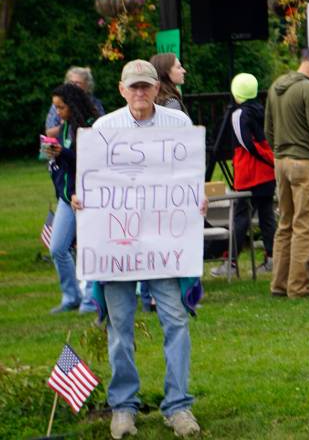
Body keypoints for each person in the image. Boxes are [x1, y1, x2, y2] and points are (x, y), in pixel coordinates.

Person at [73, 59, 203, 440]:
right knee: (119, 328)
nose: (141, 93)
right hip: (117, 248)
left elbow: (190, 179)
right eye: (134, 87)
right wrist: (83, 199)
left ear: (156, 88)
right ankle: (123, 407)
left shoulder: (178, 125)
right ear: (121, 89)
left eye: (146, 86)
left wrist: (195, 201)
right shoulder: (104, 128)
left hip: (165, 245)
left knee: (176, 321)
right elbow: (91, 180)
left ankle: (178, 405)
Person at [265, 42, 309, 298]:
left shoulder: (276, 86)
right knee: (306, 225)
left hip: (280, 161)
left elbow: (268, 130)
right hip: (305, 162)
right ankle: (299, 286)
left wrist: (280, 150)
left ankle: (279, 284)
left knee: (285, 224)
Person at [210, 72, 276, 277]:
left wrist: (260, 156)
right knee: (267, 216)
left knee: (240, 218)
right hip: (266, 173)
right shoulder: (260, 109)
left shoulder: (238, 114)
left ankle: (230, 263)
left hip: (249, 173)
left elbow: (246, 142)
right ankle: (272, 258)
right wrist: (268, 159)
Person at [46, 82, 99, 313]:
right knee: (57, 248)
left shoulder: (90, 127)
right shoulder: (65, 128)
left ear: (73, 105)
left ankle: (91, 300)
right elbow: (68, 163)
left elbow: (89, 161)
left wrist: (62, 153)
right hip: (68, 197)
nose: (58, 113)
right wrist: (55, 155)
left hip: (90, 197)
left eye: (61, 107)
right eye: (55, 108)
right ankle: (71, 296)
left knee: (90, 249)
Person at [45, 66, 104, 136]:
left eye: (77, 83)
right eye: (71, 82)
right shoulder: (60, 102)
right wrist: (68, 125)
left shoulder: (94, 104)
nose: (73, 86)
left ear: (87, 85)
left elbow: (101, 129)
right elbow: (49, 132)